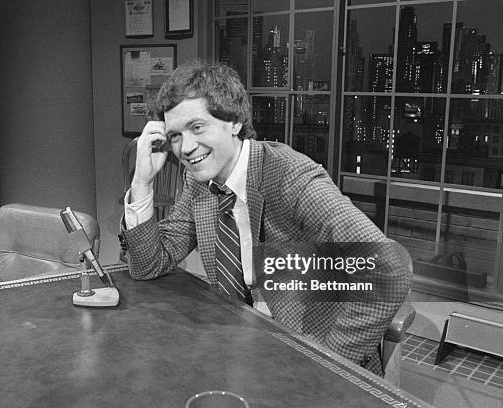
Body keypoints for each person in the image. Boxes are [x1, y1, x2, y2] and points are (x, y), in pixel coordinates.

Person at [119, 61, 411, 375]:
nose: (186, 148)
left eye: (197, 127)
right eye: (174, 135)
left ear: (232, 121)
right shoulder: (199, 184)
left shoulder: (291, 177)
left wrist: (327, 364)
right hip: (239, 347)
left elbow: (388, 270)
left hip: (308, 352)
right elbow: (149, 265)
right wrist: (142, 182)